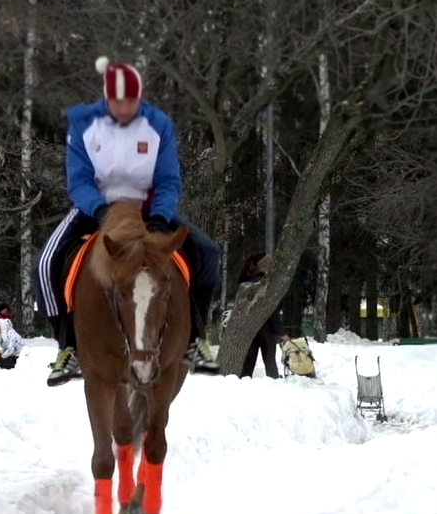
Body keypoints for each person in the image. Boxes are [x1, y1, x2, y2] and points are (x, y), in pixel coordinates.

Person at [34, 56, 222, 386]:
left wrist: (162, 218)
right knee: (44, 262)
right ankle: (67, 345)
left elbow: (168, 179)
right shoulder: (83, 127)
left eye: (131, 101)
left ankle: (196, 338)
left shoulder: (158, 126)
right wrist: (99, 211)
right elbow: (78, 181)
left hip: (149, 211)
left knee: (207, 254)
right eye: (117, 101)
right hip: (97, 211)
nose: (124, 108)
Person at [236, 253, 282, 379]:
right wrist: (280, 331)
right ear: (265, 266)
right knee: (270, 364)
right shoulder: (265, 284)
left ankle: (244, 383)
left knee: (247, 365)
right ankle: (275, 384)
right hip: (266, 330)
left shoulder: (247, 281)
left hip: (249, 330)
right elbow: (271, 310)